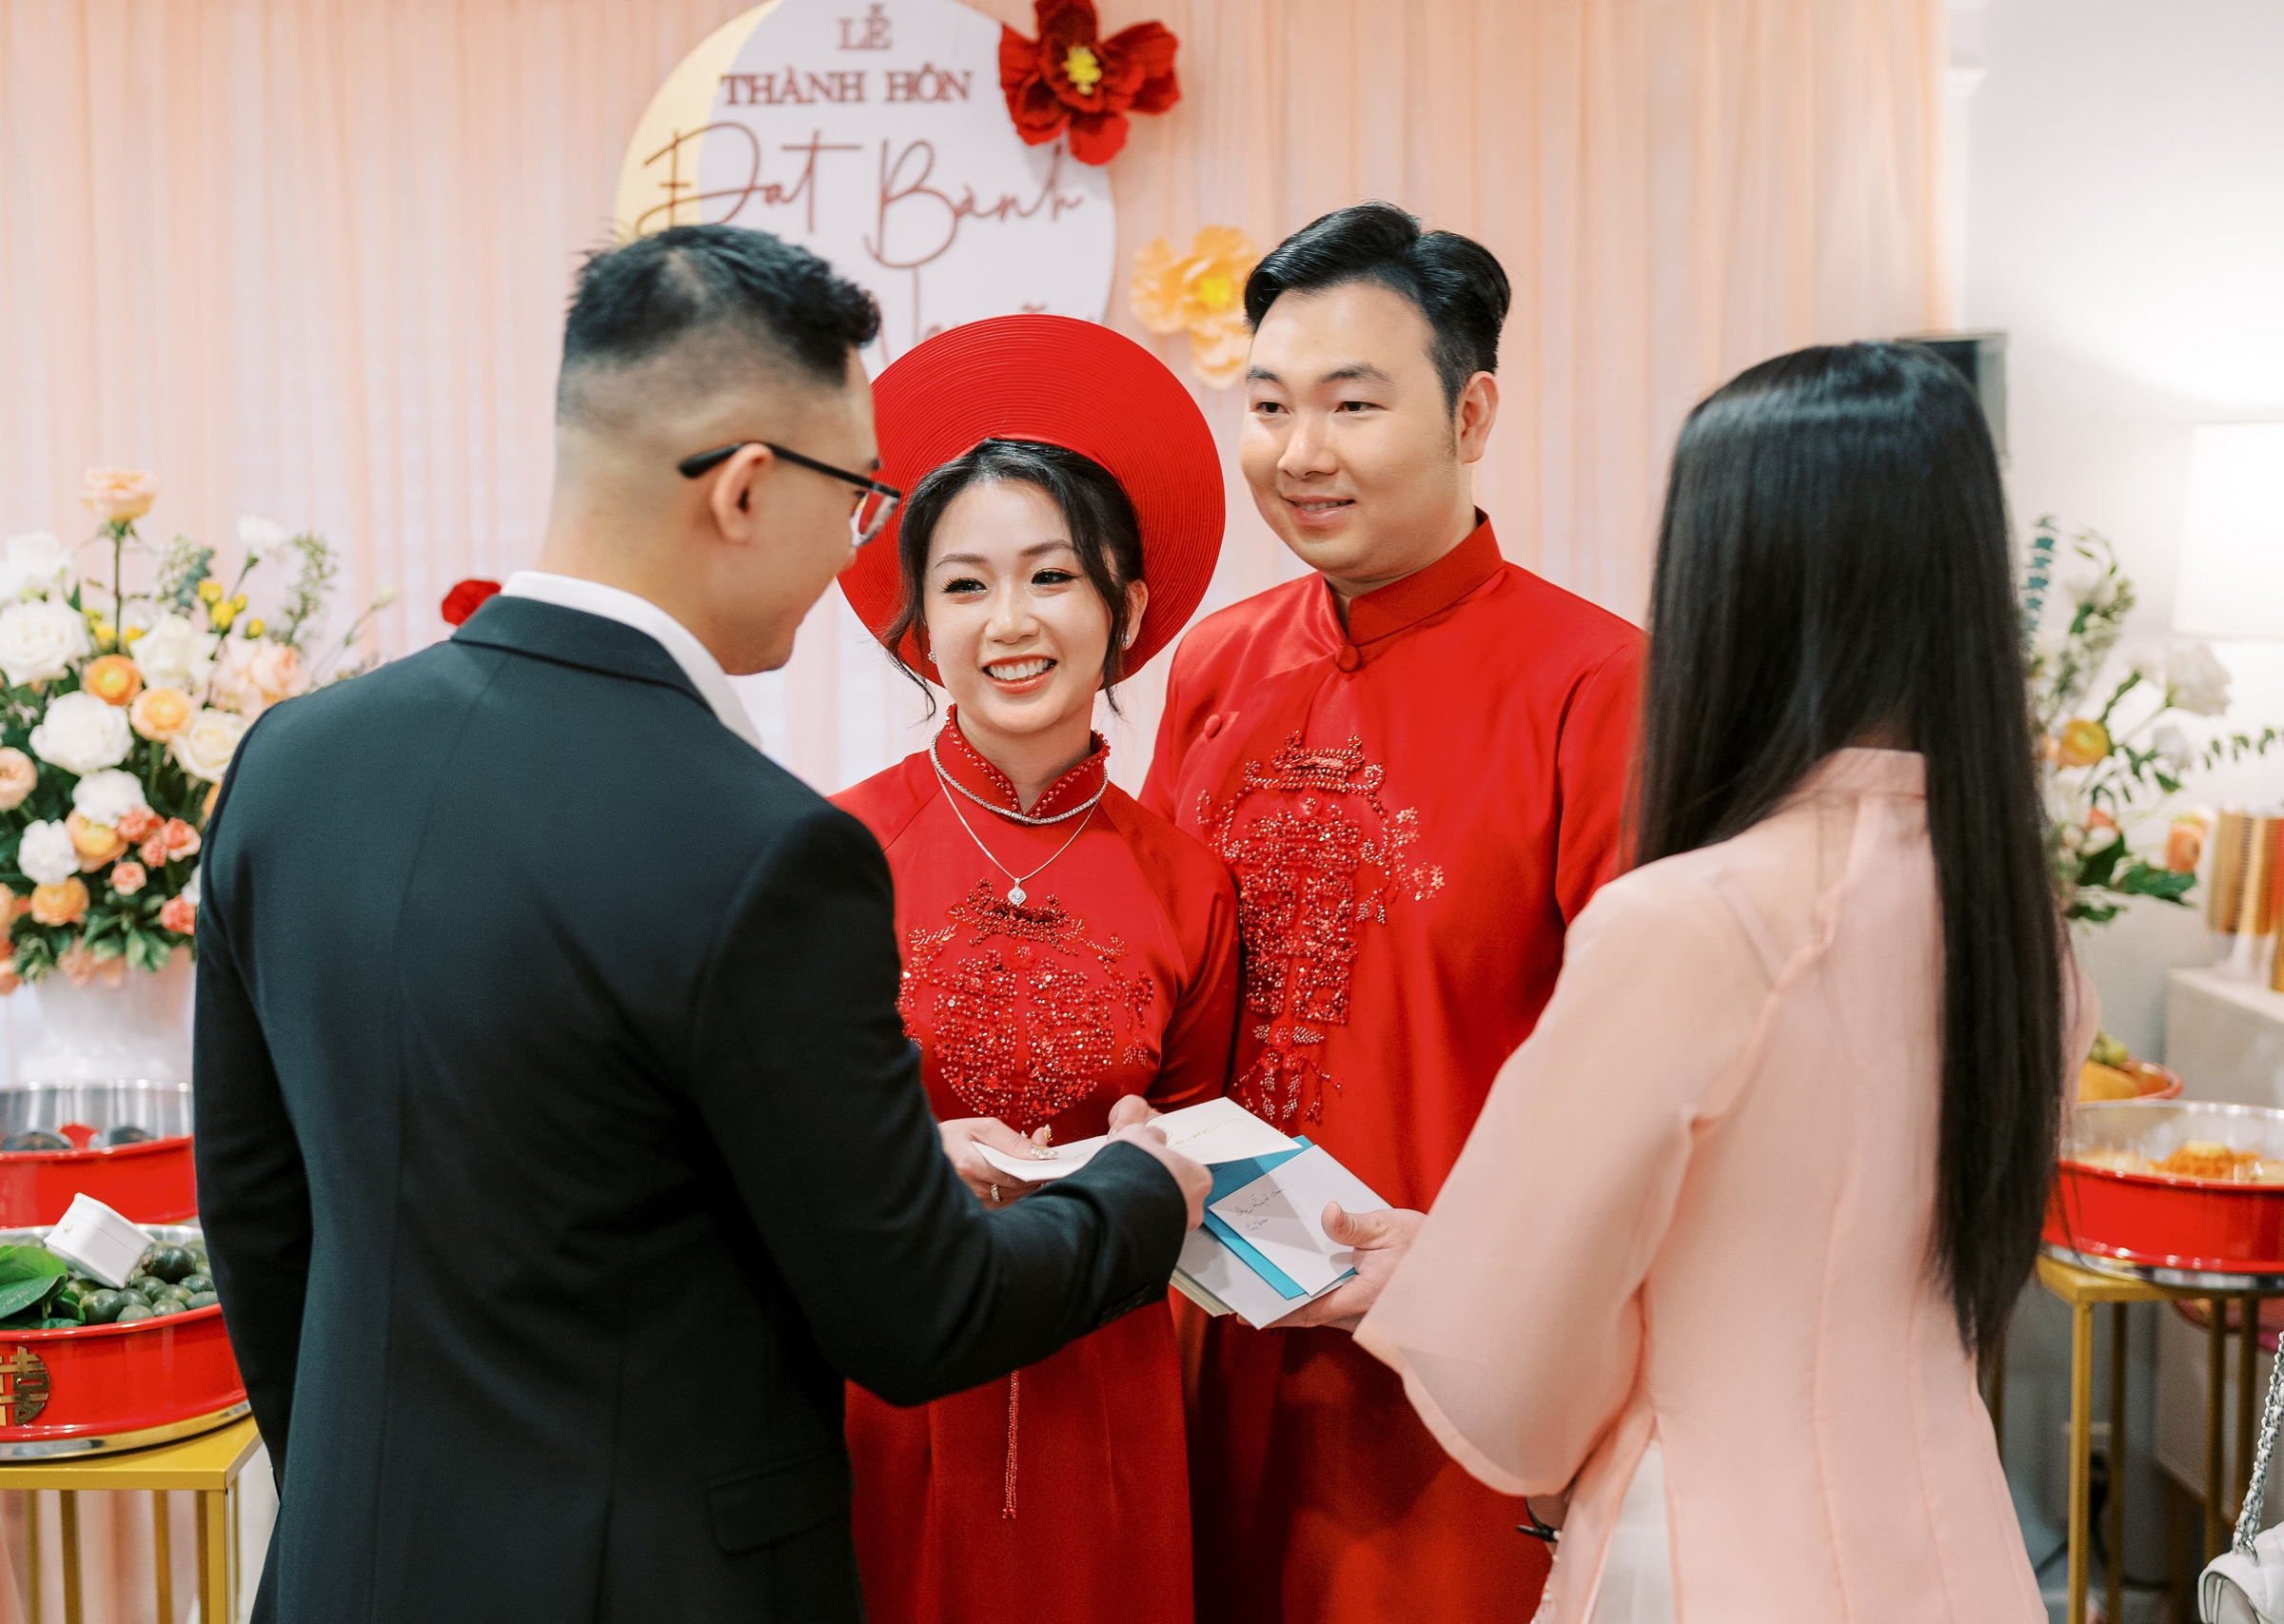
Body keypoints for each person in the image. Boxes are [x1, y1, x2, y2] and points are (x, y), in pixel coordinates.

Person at [191, 226, 1211, 1624]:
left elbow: (258, 1214)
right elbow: (913, 1315)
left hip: (351, 1567)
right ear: (745, 490)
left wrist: (367, 1499)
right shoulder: (766, 848)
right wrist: (1140, 1195)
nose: (863, 548)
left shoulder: (294, 762)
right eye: (858, 496)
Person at [1349, 342, 2094, 1622]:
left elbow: (1511, 1378)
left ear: (1727, 585)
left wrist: (1449, 1274)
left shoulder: (1693, 920)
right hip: (1953, 1550)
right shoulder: (2023, 928)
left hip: (1706, 1558)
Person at [1138, 202, 1642, 1621]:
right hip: (1215, 1348)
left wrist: (1480, 1272)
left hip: (1461, 1388)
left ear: (1472, 411)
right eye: (1271, 405)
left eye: (1354, 404)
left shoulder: (1596, 687)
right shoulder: (1218, 666)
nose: (1301, 453)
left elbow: (1646, 1092)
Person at [828, 315, 1240, 1624]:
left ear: (1123, 604)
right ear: (918, 625)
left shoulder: (1189, 884)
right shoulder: (830, 856)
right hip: (877, 1391)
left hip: (1099, 1402)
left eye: (1052, 576)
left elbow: (1200, 1166)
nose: (1011, 622)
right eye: (964, 585)